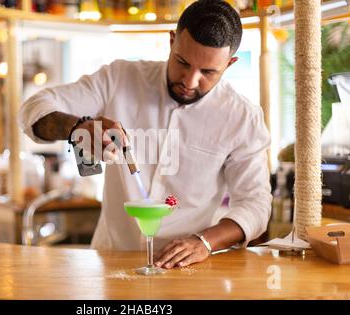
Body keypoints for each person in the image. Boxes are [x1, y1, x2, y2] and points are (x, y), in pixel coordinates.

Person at [19, 0, 272, 269]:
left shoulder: (242, 118)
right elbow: (33, 110)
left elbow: (255, 205)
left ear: (230, 63)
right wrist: (77, 127)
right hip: (110, 261)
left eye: (208, 72)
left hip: (186, 270)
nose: (189, 81)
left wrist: (204, 242)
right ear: (172, 41)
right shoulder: (120, 79)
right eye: (182, 62)